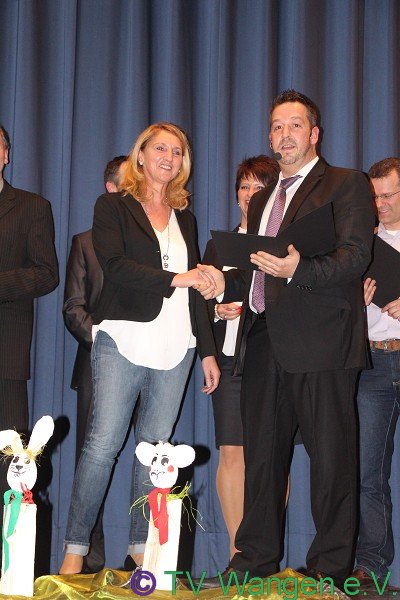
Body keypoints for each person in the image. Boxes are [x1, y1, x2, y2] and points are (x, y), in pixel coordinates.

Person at [195, 90, 374, 587]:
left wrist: (300, 270)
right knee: (263, 458)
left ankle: (330, 568)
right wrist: (222, 284)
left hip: (323, 340)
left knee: (331, 459)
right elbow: (255, 270)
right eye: (276, 126)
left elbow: (356, 255)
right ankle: (254, 560)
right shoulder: (263, 197)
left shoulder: (345, 183)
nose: (284, 134)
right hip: (262, 339)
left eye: (294, 125)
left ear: (314, 134)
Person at [59, 122, 220, 574]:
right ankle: (74, 550)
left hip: (177, 345)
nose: (169, 157)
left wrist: (207, 350)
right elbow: (116, 266)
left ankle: (140, 550)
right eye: (160, 149)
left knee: (155, 453)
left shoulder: (185, 217)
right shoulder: (113, 206)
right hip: (123, 338)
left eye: (177, 151)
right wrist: (182, 277)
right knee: (102, 445)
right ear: (142, 156)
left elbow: (194, 292)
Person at [203, 156, 279, 559]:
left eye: (259, 187)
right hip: (230, 361)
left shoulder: (284, 243)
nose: (250, 194)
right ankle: (238, 554)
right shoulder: (220, 244)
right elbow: (199, 301)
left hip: (273, 361)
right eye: (244, 186)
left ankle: (262, 552)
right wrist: (217, 311)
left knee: (271, 457)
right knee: (231, 452)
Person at [63, 155, 127, 573]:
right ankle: (89, 556)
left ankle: (145, 555)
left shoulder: (159, 240)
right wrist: (108, 345)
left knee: (151, 460)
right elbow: (73, 308)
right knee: (92, 461)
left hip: (152, 364)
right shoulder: (85, 242)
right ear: (110, 188)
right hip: (97, 364)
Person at [0, 124, 58, 509]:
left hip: (5, 354)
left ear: (5, 155)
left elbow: (46, 273)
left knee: (7, 464)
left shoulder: (32, 206)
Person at [353, 157, 400, 588]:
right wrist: (356, 300)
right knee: (368, 472)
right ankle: (371, 566)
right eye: (374, 197)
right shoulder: (360, 244)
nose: (380, 204)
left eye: (388, 195)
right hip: (373, 363)